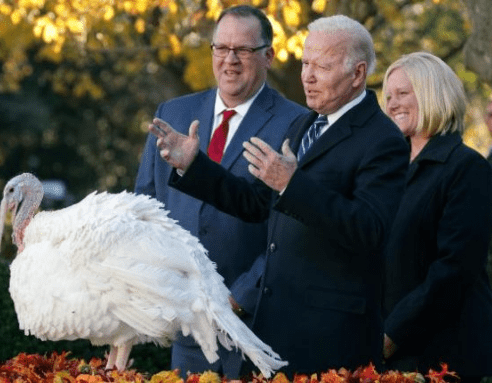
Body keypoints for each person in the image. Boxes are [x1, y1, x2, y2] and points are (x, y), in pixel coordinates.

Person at [147, 15, 409, 376]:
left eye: (323, 66)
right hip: (277, 332)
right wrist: (194, 166)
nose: (308, 76)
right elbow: (255, 204)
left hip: (331, 340)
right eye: (305, 64)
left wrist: (292, 185)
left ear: (358, 74)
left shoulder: (383, 140)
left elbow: (369, 228)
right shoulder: (308, 124)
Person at [134, 5, 308, 378]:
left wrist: (239, 298)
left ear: (268, 57)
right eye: (221, 48)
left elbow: (291, 229)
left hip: (257, 324)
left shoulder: (295, 122)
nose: (230, 60)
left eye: (243, 50)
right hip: (187, 326)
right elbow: (144, 209)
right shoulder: (174, 113)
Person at [381, 52, 492, 383]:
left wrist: (392, 333)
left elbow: (454, 268)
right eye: (388, 96)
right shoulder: (388, 169)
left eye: (403, 94)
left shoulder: (467, 168)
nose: (392, 104)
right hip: (386, 354)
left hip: (444, 357)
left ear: (432, 92)